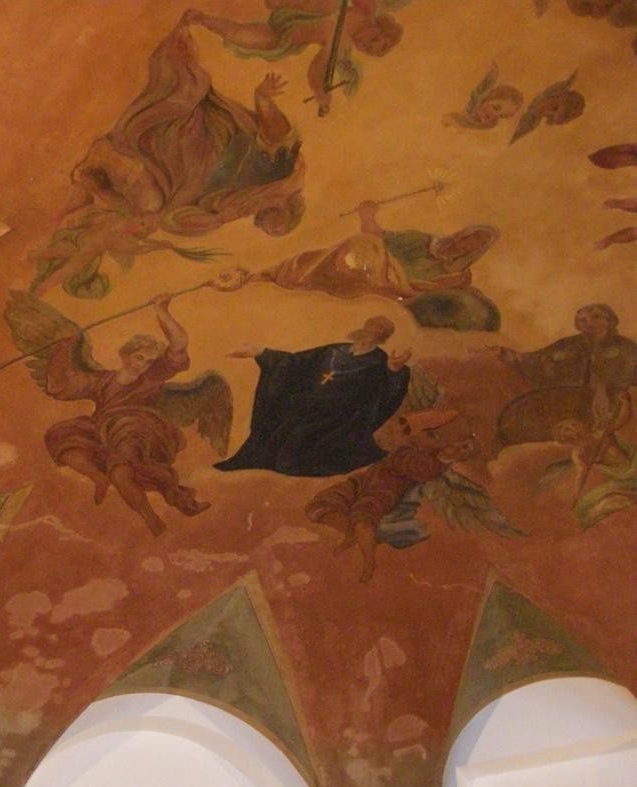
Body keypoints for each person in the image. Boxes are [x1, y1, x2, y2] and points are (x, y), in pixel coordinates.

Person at [33, 20, 305, 298]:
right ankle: (107, 164)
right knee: (159, 173)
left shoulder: (248, 204)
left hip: (189, 180)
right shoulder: (282, 174)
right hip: (212, 144)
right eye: (276, 224)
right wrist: (263, 99)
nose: (269, 225)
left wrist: (195, 222)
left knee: (147, 204)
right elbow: (277, 136)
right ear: (285, 208)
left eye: (269, 228)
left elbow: (210, 207)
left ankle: (97, 180)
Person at [43, 294, 211, 535]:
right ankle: (96, 477)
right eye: (138, 358)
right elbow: (57, 386)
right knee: (61, 436)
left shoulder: (152, 377)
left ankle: (150, 517)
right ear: (124, 355)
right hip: (104, 429)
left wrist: (161, 310)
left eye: (148, 361)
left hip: (136, 427)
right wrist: (63, 347)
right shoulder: (101, 380)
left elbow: (179, 345)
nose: (142, 365)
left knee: (121, 472)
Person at [211, 199, 500, 331]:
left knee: (357, 260)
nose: (466, 242)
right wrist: (367, 214)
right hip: (369, 257)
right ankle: (272, 275)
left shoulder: (455, 274)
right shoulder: (421, 240)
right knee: (349, 250)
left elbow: (417, 291)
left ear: (475, 251)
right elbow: (379, 235)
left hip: (387, 282)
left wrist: (393, 276)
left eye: (475, 243)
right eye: (470, 236)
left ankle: (286, 276)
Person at [214, 315, 411, 477]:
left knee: (294, 451)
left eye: (375, 334)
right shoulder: (335, 350)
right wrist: (261, 352)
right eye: (367, 331)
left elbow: (384, 395)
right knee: (275, 419)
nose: (367, 337)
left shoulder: (379, 362)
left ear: (381, 339)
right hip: (303, 405)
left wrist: (394, 371)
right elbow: (296, 362)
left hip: (337, 420)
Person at [305, 410, 478, 580]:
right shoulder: (410, 445)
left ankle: (369, 561)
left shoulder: (428, 460)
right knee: (320, 505)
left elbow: (418, 468)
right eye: (429, 433)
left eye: (433, 436)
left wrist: (443, 459)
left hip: (383, 490)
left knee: (362, 518)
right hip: (362, 481)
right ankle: (352, 535)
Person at [184, 2, 404, 115]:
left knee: (244, 35)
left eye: (369, 49)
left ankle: (202, 19)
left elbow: (317, 68)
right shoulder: (364, 9)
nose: (367, 44)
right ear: (380, 25)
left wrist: (320, 93)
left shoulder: (341, 46)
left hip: (287, 34)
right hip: (303, 8)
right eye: (375, 39)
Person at [492, 304, 637, 450]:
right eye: (582, 320)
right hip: (565, 406)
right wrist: (505, 354)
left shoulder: (627, 348)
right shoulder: (568, 344)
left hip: (607, 409)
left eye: (596, 317)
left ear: (611, 321)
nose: (589, 323)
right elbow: (534, 361)